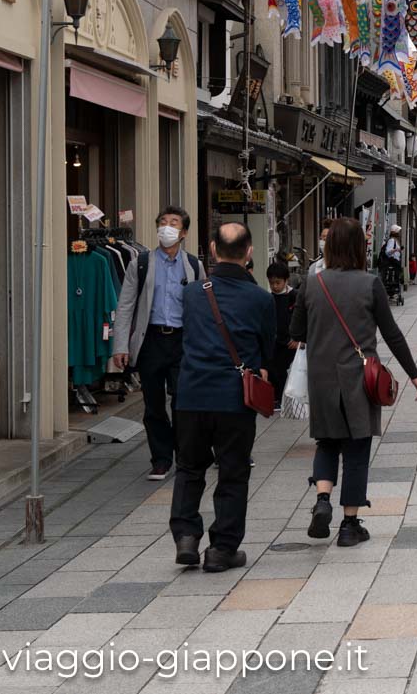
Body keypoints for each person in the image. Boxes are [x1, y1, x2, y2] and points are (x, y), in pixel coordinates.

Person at [292, 218, 417, 547]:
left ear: (328, 247)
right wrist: (413, 373)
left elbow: (295, 332)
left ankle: (323, 500)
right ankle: (350, 524)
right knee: (356, 448)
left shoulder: (312, 284)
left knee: (326, 442)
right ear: (358, 248)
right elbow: (391, 333)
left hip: (322, 376)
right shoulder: (370, 284)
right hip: (358, 376)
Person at [171, 223, 274, 572]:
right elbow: (266, 349)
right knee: (232, 472)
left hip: (191, 395)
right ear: (249, 253)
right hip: (234, 398)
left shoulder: (191, 293)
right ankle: (222, 549)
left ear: (212, 250)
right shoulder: (261, 298)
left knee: (188, 468)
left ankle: (186, 536)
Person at [112, 207, 200, 481]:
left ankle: (184, 454)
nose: (167, 227)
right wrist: (120, 346)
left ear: (184, 232)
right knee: (153, 403)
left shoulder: (194, 265)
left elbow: (205, 307)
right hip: (150, 339)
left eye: (174, 223)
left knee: (182, 401)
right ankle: (161, 459)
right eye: (163, 222)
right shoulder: (141, 262)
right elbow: (125, 305)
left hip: (182, 340)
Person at [265, 259, 298, 396]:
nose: (275, 286)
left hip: (290, 342)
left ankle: (284, 396)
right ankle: (277, 396)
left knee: (283, 370)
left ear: (286, 280)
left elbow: (302, 319)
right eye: (272, 283)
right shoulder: (268, 298)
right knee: (273, 369)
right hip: (274, 341)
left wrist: (298, 339)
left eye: (278, 283)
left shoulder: (294, 296)